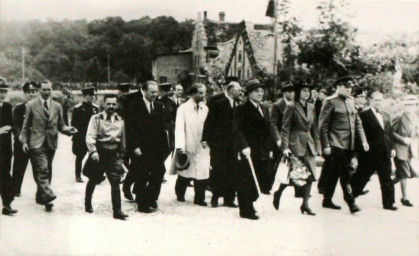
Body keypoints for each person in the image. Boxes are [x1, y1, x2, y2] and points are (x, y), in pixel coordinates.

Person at [20, 80, 77, 211]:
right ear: (39, 90)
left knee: (47, 170)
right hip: (36, 142)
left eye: (49, 89)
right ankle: (48, 195)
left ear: (52, 90)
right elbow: (25, 126)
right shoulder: (31, 105)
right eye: (44, 89)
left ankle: (42, 196)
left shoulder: (57, 106)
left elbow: (61, 125)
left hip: (51, 143)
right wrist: (24, 142)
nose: (46, 92)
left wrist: (68, 130)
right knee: (42, 169)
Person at [318, 76, 369, 213]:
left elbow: (358, 123)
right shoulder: (330, 102)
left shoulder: (351, 102)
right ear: (338, 86)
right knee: (346, 172)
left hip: (349, 144)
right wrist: (326, 145)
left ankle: (327, 199)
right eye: (346, 86)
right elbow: (322, 126)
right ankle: (351, 201)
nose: (349, 89)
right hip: (336, 144)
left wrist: (363, 140)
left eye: (351, 87)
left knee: (334, 172)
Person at [273, 82, 320, 215]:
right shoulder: (292, 107)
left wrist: (318, 145)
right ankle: (278, 193)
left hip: (309, 145)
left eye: (309, 91)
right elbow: (285, 128)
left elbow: (314, 128)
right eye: (304, 91)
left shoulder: (312, 107)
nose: (307, 93)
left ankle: (305, 205)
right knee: (294, 176)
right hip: (295, 144)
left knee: (310, 176)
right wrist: (285, 147)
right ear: (299, 93)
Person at [125, 81, 170, 213]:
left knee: (159, 172)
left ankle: (151, 197)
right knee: (141, 174)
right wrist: (134, 147)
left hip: (156, 148)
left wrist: (164, 148)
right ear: (144, 91)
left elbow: (162, 129)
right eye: (152, 92)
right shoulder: (134, 107)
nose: (154, 95)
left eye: (156, 92)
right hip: (140, 148)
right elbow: (130, 129)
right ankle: (142, 203)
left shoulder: (159, 106)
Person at [234, 79, 274, 220]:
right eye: (256, 91)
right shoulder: (242, 109)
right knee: (247, 179)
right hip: (249, 150)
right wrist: (243, 146)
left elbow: (267, 129)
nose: (260, 93)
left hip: (262, 150)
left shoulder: (264, 108)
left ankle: (250, 200)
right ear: (249, 93)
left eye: (261, 91)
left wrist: (269, 148)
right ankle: (246, 210)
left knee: (263, 178)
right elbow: (237, 129)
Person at [351, 91, 397, 210]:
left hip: (385, 151)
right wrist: (358, 151)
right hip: (370, 152)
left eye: (380, 100)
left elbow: (389, 133)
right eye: (376, 100)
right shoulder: (364, 114)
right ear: (371, 100)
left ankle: (389, 203)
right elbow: (359, 134)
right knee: (363, 175)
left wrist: (392, 147)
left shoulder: (386, 115)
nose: (378, 102)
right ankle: (351, 195)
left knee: (386, 177)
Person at [85, 94, 128, 220]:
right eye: (108, 103)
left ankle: (117, 211)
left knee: (115, 182)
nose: (111, 106)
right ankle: (88, 203)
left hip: (114, 154)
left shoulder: (120, 120)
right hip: (100, 153)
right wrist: (93, 152)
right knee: (93, 179)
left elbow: (123, 139)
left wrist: (121, 154)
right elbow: (90, 135)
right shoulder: (96, 118)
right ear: (103, 104)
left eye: (113, 104)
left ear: (117, 105)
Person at [202, 81, 242, 208]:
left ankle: (229, 198)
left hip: (233, 143)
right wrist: (205, 138)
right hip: (219, 142)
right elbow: (209, 121)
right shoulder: (218, 103)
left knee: (232, 169)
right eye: (238, 90)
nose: (240, 92)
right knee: (218, 169)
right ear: (231, 90)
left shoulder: (237, 104)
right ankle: (215, 197)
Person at [175, 83, 210, 206]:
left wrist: (207, 139)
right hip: (188, 143)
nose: (203, 95)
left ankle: (199, 198)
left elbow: (208, 127)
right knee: (186, 170)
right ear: (193, 93)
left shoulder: (205, 108)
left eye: (204, 92)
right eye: (200, 93)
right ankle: (180, 193)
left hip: (202, 145)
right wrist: (180, 146)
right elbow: (179, 128)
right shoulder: (183, 108)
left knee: (202, 171)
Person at [12, 82, 39, 197]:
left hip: (36, 142)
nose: (32, 94)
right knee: (19, 166)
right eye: (29, 92)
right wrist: (20, 136)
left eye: (34, 91)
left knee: (38, 168)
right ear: (25, 93)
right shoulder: (19, 108)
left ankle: (42, 191)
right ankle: (15, 189)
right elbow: (14, 124)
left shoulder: (41, 108)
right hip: (21, 142)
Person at [391, 96, 419, 207]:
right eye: (407, 105)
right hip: (399, 148)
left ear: (416, 106)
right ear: (404, 106)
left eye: (412, 105)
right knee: (404, 173)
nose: (409, 107)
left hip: (409, 150)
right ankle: (404, 197)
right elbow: (391, 132)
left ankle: (387, 185)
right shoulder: (399, 117)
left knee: (402, 174)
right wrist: (402, 139)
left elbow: (414, 133)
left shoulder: (415, 118)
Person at [71, 86, 99, 183]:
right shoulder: (78, 108)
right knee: (79, 156)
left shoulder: (96, 108)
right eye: (89, 95)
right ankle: (78, 175)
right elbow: (74, 124)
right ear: (84, 96)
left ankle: (94, 174)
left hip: (92, 136)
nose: (91, 97)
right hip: (81, 137)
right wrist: (77, 136)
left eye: (92, 95)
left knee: (94, 156)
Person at [269, 81, 294, 191]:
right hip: (281, 137)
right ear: (284, 92)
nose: (291, 94)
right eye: (289, 91)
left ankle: (297, 187)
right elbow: (273, 123)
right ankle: (268, 185)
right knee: (276, 163)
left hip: (292, 138)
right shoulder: (277, 105)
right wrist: (278, 139)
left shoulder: (295, 105)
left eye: (293, 91)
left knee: (294, 162)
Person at [0, 81, 17, 216]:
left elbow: (10, 124)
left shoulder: (7, 106)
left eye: (4, 91)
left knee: (5, 174)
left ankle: (7, 204)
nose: (2, 94)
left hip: (5, 147)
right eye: (0, 91)